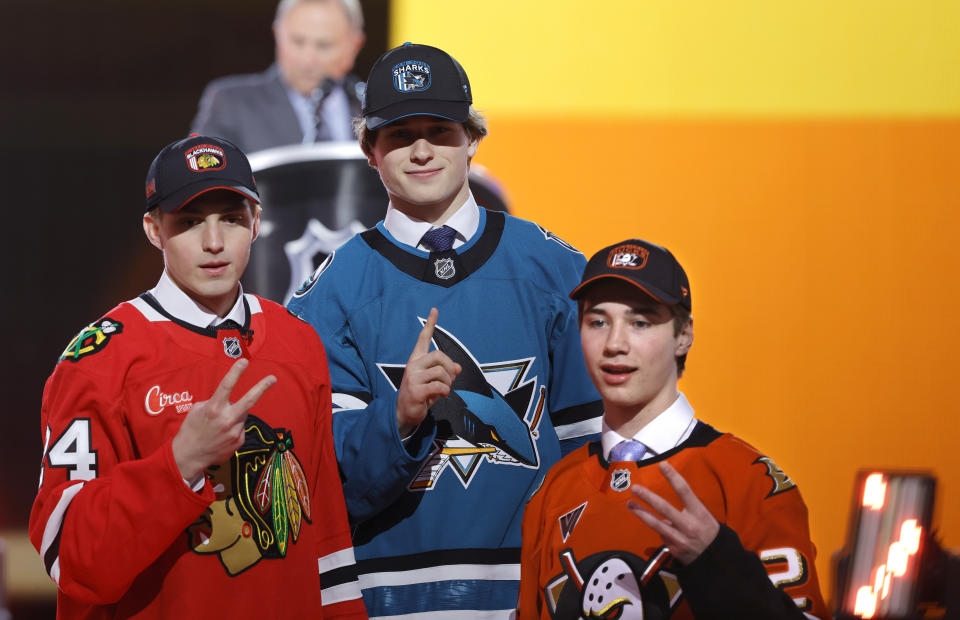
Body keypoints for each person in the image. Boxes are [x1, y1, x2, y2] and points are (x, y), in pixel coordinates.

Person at [286, 43, 603, 617]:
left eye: (440, 128)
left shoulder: (553, 269)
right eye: (400, 134)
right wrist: (400, 419)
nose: (422, 149)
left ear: (473, 138)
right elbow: (325, 489)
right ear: (369, 150)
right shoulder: (329, 295)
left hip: (541, 593)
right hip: (392, 602)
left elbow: (597, 455)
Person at [29, 135, 367, 619]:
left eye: (230, 218)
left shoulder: (299, 343)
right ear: (153, 229)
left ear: (256, 222)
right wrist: (179, 463)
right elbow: (71, 559)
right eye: (189, 222)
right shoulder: (99, 358)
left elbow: (328, 539)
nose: (213, 242)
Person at [516, 239, 833, 619]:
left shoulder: (747, 480)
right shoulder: (553, 489)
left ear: (683, 335)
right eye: (598, 321)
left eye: (640, 322)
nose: (615, 343)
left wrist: (716, 560)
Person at [191, 0, 366, 153]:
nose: (307, 60)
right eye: (298, 42)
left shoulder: (370, 106)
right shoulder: (231, 103)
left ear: (354, 46)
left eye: (323, 46)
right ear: (277, 34)